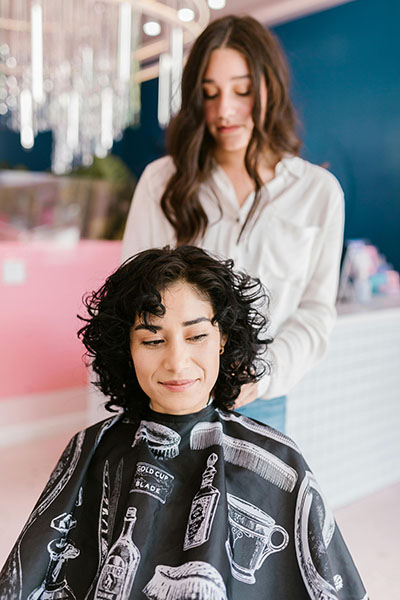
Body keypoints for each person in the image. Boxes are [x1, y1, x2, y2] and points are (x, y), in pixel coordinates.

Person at [0, 246, 367, 600]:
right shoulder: (91, 449)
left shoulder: (278, 459)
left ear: (222, 338)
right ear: (127, 348)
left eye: (196, 336)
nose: (177, 361)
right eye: (153, 340)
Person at [121, 15, 345, 432]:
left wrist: (261, 373)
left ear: (270, 90)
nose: (225, 110)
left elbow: (316, 314)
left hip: (263, 405)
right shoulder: (162, 182)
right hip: (170, 397)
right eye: (210, 93)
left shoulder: (318, 193)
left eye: (242, 91)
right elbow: (132, 297)